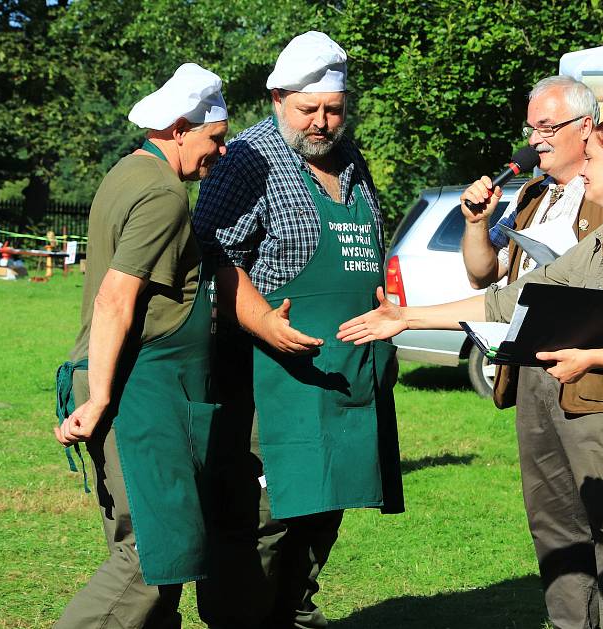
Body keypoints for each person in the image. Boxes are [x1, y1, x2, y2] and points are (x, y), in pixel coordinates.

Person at [337, 112, 603, 628]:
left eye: (594, 158)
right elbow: (515, 299)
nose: (583, 168)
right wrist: (408, 317)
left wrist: (591, 358)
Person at [192, 31, 403, 629]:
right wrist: (262, 320)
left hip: (347, 371)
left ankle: (292, 614)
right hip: (271, 376)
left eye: (332, 109)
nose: (320, 122)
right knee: (266, 515)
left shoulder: (352, 158)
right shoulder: (247, 161)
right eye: (307, 109)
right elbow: (210, 255)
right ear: (279, 98)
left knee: (327, 504)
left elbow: (369, 248)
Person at [461, 75, 603, 628]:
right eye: (532, 128)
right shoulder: (530, 197)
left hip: (593, 377)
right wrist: (476, 225)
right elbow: (483, 272)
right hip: (531, 376)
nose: (536, 140)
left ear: (585, 127)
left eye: (547, 127)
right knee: (551, 522)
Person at [53, 63, 229, 628]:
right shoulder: (163, 194)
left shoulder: (125, 173)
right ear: (180, 127)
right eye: (216, 139)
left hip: (135, 384)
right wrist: (101, 396)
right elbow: (114, 298)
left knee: (148, 547)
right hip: (136, 388)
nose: (221, 153)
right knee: (154, 557)